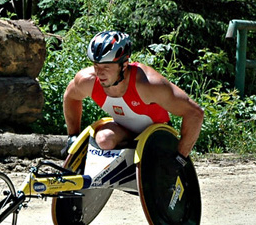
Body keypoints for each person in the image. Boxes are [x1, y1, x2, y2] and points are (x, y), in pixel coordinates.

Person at [62, 31, 204, 168]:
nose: (100, 73)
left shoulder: (148, 84)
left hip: (156, 137)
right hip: (124, 130)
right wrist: (73, 136)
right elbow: (70, 96)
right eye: (96, 66)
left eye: (106, 66)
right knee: (104, 139)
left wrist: (181, 157)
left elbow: (195, 113)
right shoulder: (87, 80)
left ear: (124, 65)